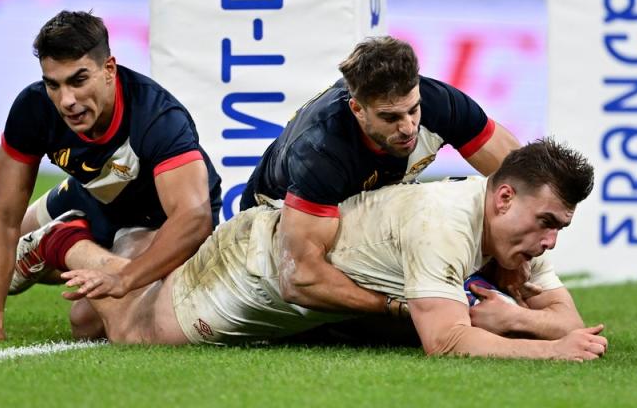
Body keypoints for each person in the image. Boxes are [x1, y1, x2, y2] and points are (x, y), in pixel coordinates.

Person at [38, 138, 606, 361]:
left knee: (86, 322)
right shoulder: (446, 223)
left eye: (559, 228)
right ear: (504, 197)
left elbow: (568, 320)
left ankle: (129, 246)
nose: (550, 241)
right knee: (131, 334)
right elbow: (448, 340)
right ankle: (67, 243)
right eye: (547, 223)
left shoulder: (521, 234)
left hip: (299, 295)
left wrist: (515, 318)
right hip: (259, 266)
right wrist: (546, 347)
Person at [0, 10, 221, 341]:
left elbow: (192, 217)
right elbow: (2, 216)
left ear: (108, 69)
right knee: (4, 262)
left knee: (86, 321)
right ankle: (55, 242)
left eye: (78, 80)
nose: (67, 100)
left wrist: (125, 278)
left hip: (153, 220)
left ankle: (60, 243)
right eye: (53, 84)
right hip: (92, 195)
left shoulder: (157, 117)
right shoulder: (34, 109)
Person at [238, 36, 521, 317]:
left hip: (350, 215)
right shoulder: (321, 151)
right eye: (391, 118)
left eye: (413, 110)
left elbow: (526, 182)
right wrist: (396, 308)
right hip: (267, 237)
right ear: (358, 109)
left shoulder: (439, 102)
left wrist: (513, 254)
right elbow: (300, 279)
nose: (409, 127)